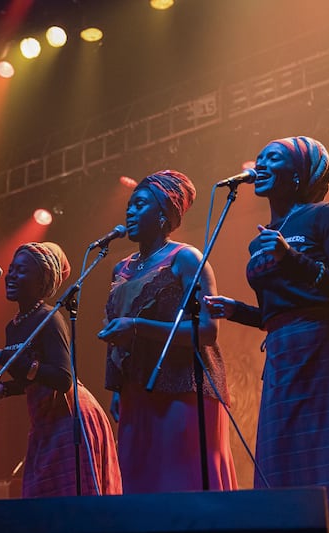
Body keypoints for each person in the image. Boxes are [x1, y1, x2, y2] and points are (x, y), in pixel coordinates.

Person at [203, 136, 329, 531]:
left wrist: (293, 258)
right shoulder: (262, 235)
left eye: (273, 159)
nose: (261, 164)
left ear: (298, 174)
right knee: (285, 461)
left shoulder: (324, 216)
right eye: (260, 158)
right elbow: (279, 312)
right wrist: (237, 311)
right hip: (283, 356)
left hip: (326, 353)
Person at [97, 170, 237, 494]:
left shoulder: (186, 258)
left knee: (181, 483)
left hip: (184, 387)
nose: (130, 212)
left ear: (163, 214)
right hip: (136, 389)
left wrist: (136, 327)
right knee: (139, 484)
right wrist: (117, 389)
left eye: (140, 205)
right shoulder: (122, 268)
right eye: (129, 205)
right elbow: (118, 331)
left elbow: (206, 330)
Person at [0, 241, 122, 497]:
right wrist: (0, 390)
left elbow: (62, 378)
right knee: (42, 499)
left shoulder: (50, 318)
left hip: (70, 417)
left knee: (71, 501)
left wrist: (6, 356)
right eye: (11, 268)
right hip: (46, 420)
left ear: (42, 280)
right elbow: (31, 380)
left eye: (21, 271)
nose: (11, 275)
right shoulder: (13, 327)